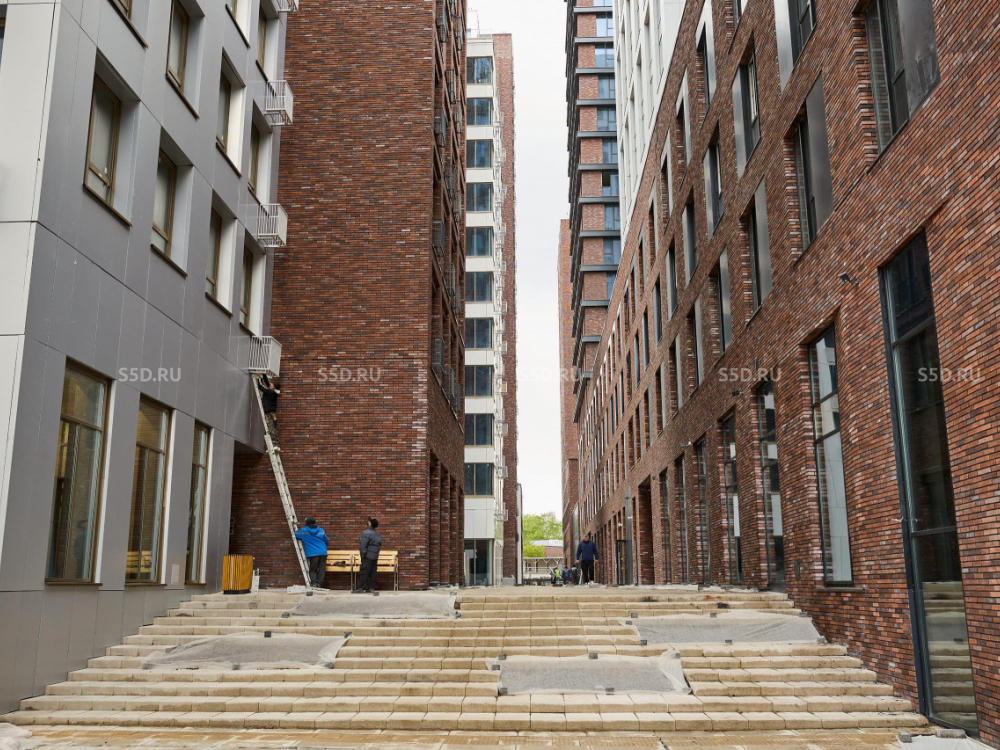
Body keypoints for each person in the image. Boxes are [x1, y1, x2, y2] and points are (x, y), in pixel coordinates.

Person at [294, 517, 329, 588]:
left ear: (307, 523)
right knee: (322, 569)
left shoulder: (304, 530)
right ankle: (319, 583)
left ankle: (314, 583)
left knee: (313, 569)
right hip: (323, 552)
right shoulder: (321, 530)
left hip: (312, 553)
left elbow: (295, 534)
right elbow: (326, 541)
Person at [355, 517, 382, 593]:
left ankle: (362, 588)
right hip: (375, 555)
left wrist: (362, 556)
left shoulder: (366, 533)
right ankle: (371, 588)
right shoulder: (378, 534)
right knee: (373, 573)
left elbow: (363, 546)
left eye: (368, 521)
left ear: (370, 523)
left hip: (368, 555)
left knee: (364, 571)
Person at [258, 375, 281, 449]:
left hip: (269, 412)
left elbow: (261, 387)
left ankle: (275, 445)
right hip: (272, 413)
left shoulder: (270, 392)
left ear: (273, 387)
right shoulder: (273, 391)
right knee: (272, 428)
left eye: (272, 384)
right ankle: (274, 444)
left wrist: (258, 378)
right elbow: (267, 383)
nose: (270, 384)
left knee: (271, 429)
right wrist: (263, 375)